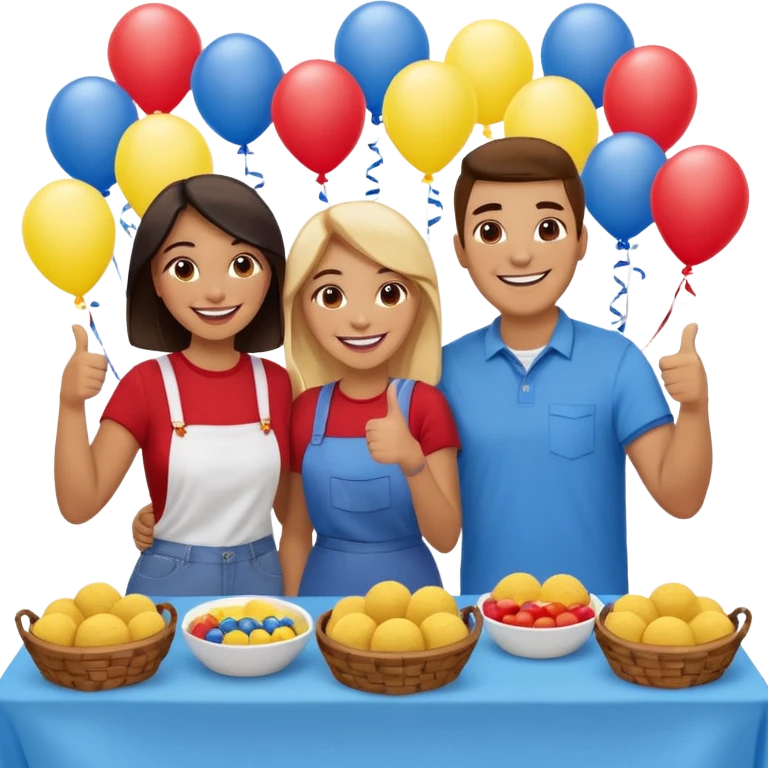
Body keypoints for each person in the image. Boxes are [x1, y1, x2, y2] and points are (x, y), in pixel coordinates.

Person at [439, 137, 713, 596]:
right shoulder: (443, 370)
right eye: (491, 231)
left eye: (548, 229)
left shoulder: (618, 362)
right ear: (461, 249)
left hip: (598, 629)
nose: (521, 255)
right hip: (486, 626)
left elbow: (680, 499)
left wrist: (694, 407)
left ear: (581, 243)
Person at [55, 174, 292, 597]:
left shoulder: (277, 384)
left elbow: (292, 512)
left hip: (263, 578)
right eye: (184, 268)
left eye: (242, 265)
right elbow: (79, 505)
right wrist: (71, 405)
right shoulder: (146, 385)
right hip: (173, 581)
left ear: (270, 277)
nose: (216, 291)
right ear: (157, 283)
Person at [279, 200, 462, 596]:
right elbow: (294, 534)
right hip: (322, 595)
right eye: (331, 296)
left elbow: (446, 537)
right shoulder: (307, 409)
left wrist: (412, 461)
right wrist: (294, 619)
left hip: (413, 601)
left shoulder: (425, 404)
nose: (360, 319)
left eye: (389, 293)